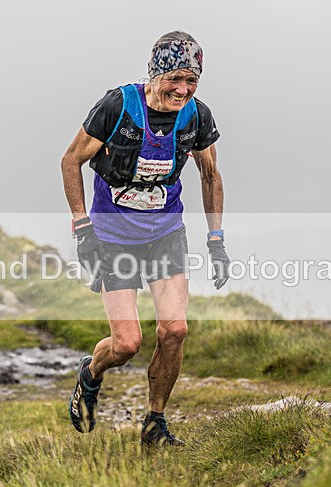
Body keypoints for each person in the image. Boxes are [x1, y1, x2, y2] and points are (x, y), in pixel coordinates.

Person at [61, 31, 230, 446]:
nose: (183, 89)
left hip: (165, 234)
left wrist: (217, 239)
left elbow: (210, 174)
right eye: (175, 78)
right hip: (111, 237)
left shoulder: (196, 116)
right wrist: (82, 227)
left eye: (192, 81)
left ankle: (155, 422)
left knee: (174, 330)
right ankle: (91, 373)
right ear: (155, 74)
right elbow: (71, 161)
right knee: (127, 343)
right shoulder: (117, 107)